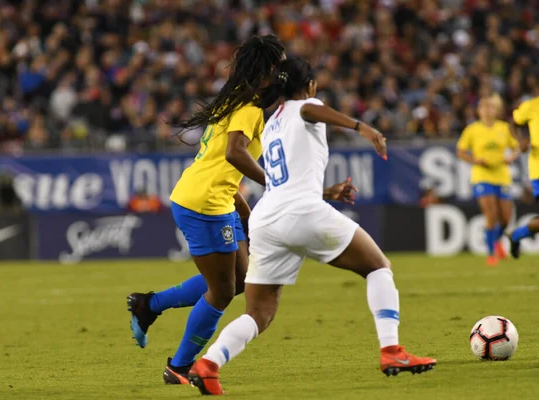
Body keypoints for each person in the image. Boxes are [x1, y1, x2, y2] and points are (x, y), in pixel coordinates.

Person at [186, 57, 436, 396]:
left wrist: (327, 192)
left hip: (267, 217)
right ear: (310, 86)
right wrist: (362, 128)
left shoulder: (273, 121)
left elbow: (283, 180)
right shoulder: (305, 106)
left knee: (259, 312)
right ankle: (392, 352)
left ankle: (209, 364)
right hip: (300, 213)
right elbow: (312, 111)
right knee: (379, 267)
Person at [126, 35, 286, 384]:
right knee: (223, 290)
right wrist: (273, 183)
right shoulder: (249, 108)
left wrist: (242, 208)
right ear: (266, 71)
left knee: (239, 279)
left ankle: (148, 306)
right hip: (204, 203)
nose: (283, 74)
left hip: (215, 198)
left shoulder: (235, 101)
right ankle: (179, 366)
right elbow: (234, 153)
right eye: (279, 67)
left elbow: (221, 166)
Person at [456, 94, 520, 266]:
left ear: (496, 110)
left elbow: (517, 147)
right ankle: (491, 254)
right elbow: (461, 151)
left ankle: (497, 241)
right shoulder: (472, 129)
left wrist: (512, 157)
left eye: (490, 107)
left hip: (502, 176)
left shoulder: (504, 128)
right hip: (482, 176)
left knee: (506, 219)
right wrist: (474, 160)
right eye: (484, 107)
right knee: (491, 215)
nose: (487, 110)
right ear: (479, 111)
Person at [508, 93, 539, 258]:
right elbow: (513, 123)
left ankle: (517, 234)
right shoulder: (532, 105)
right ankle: (517, 234)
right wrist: (520, 141)